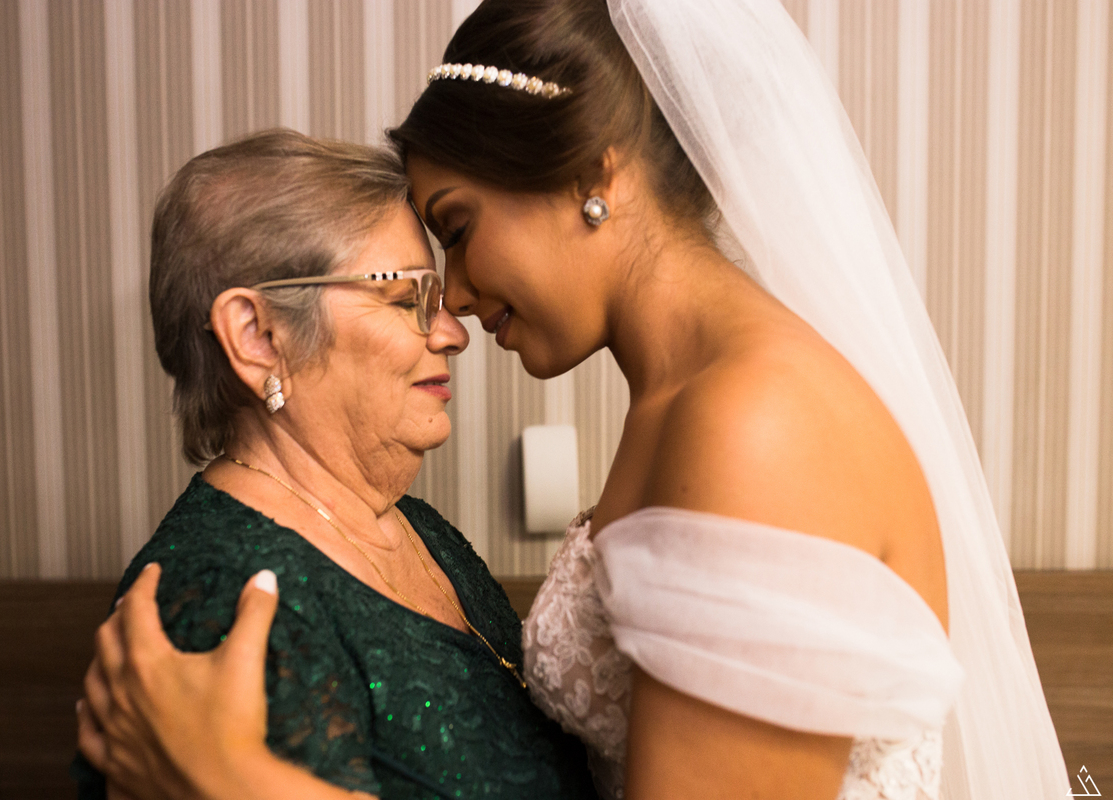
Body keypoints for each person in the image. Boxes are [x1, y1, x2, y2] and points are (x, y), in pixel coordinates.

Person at [79, 1, 1069, 798]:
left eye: (456, 231)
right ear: (254, 336)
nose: (456, 304)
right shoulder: (687, 405)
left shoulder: (751, 424)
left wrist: (235, 780)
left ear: (595, 171)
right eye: (415, 282)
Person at [73, 128, 597, 799]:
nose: (452, 332)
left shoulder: (418, 527)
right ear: (259, 337)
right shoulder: (226, 598)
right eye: (409, 298)